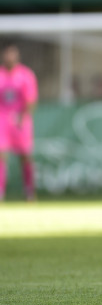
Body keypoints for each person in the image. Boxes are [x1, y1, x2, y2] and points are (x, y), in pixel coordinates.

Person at [0, 42, 38, 202]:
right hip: (2, 120)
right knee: (1, 155)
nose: (9, 57)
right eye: (7, 53)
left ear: (17, 56)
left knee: (25, 155)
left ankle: (29, 192)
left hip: (20, 120)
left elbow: (31, 99)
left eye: (12, 53)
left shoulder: (25, 75)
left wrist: (23, 117)